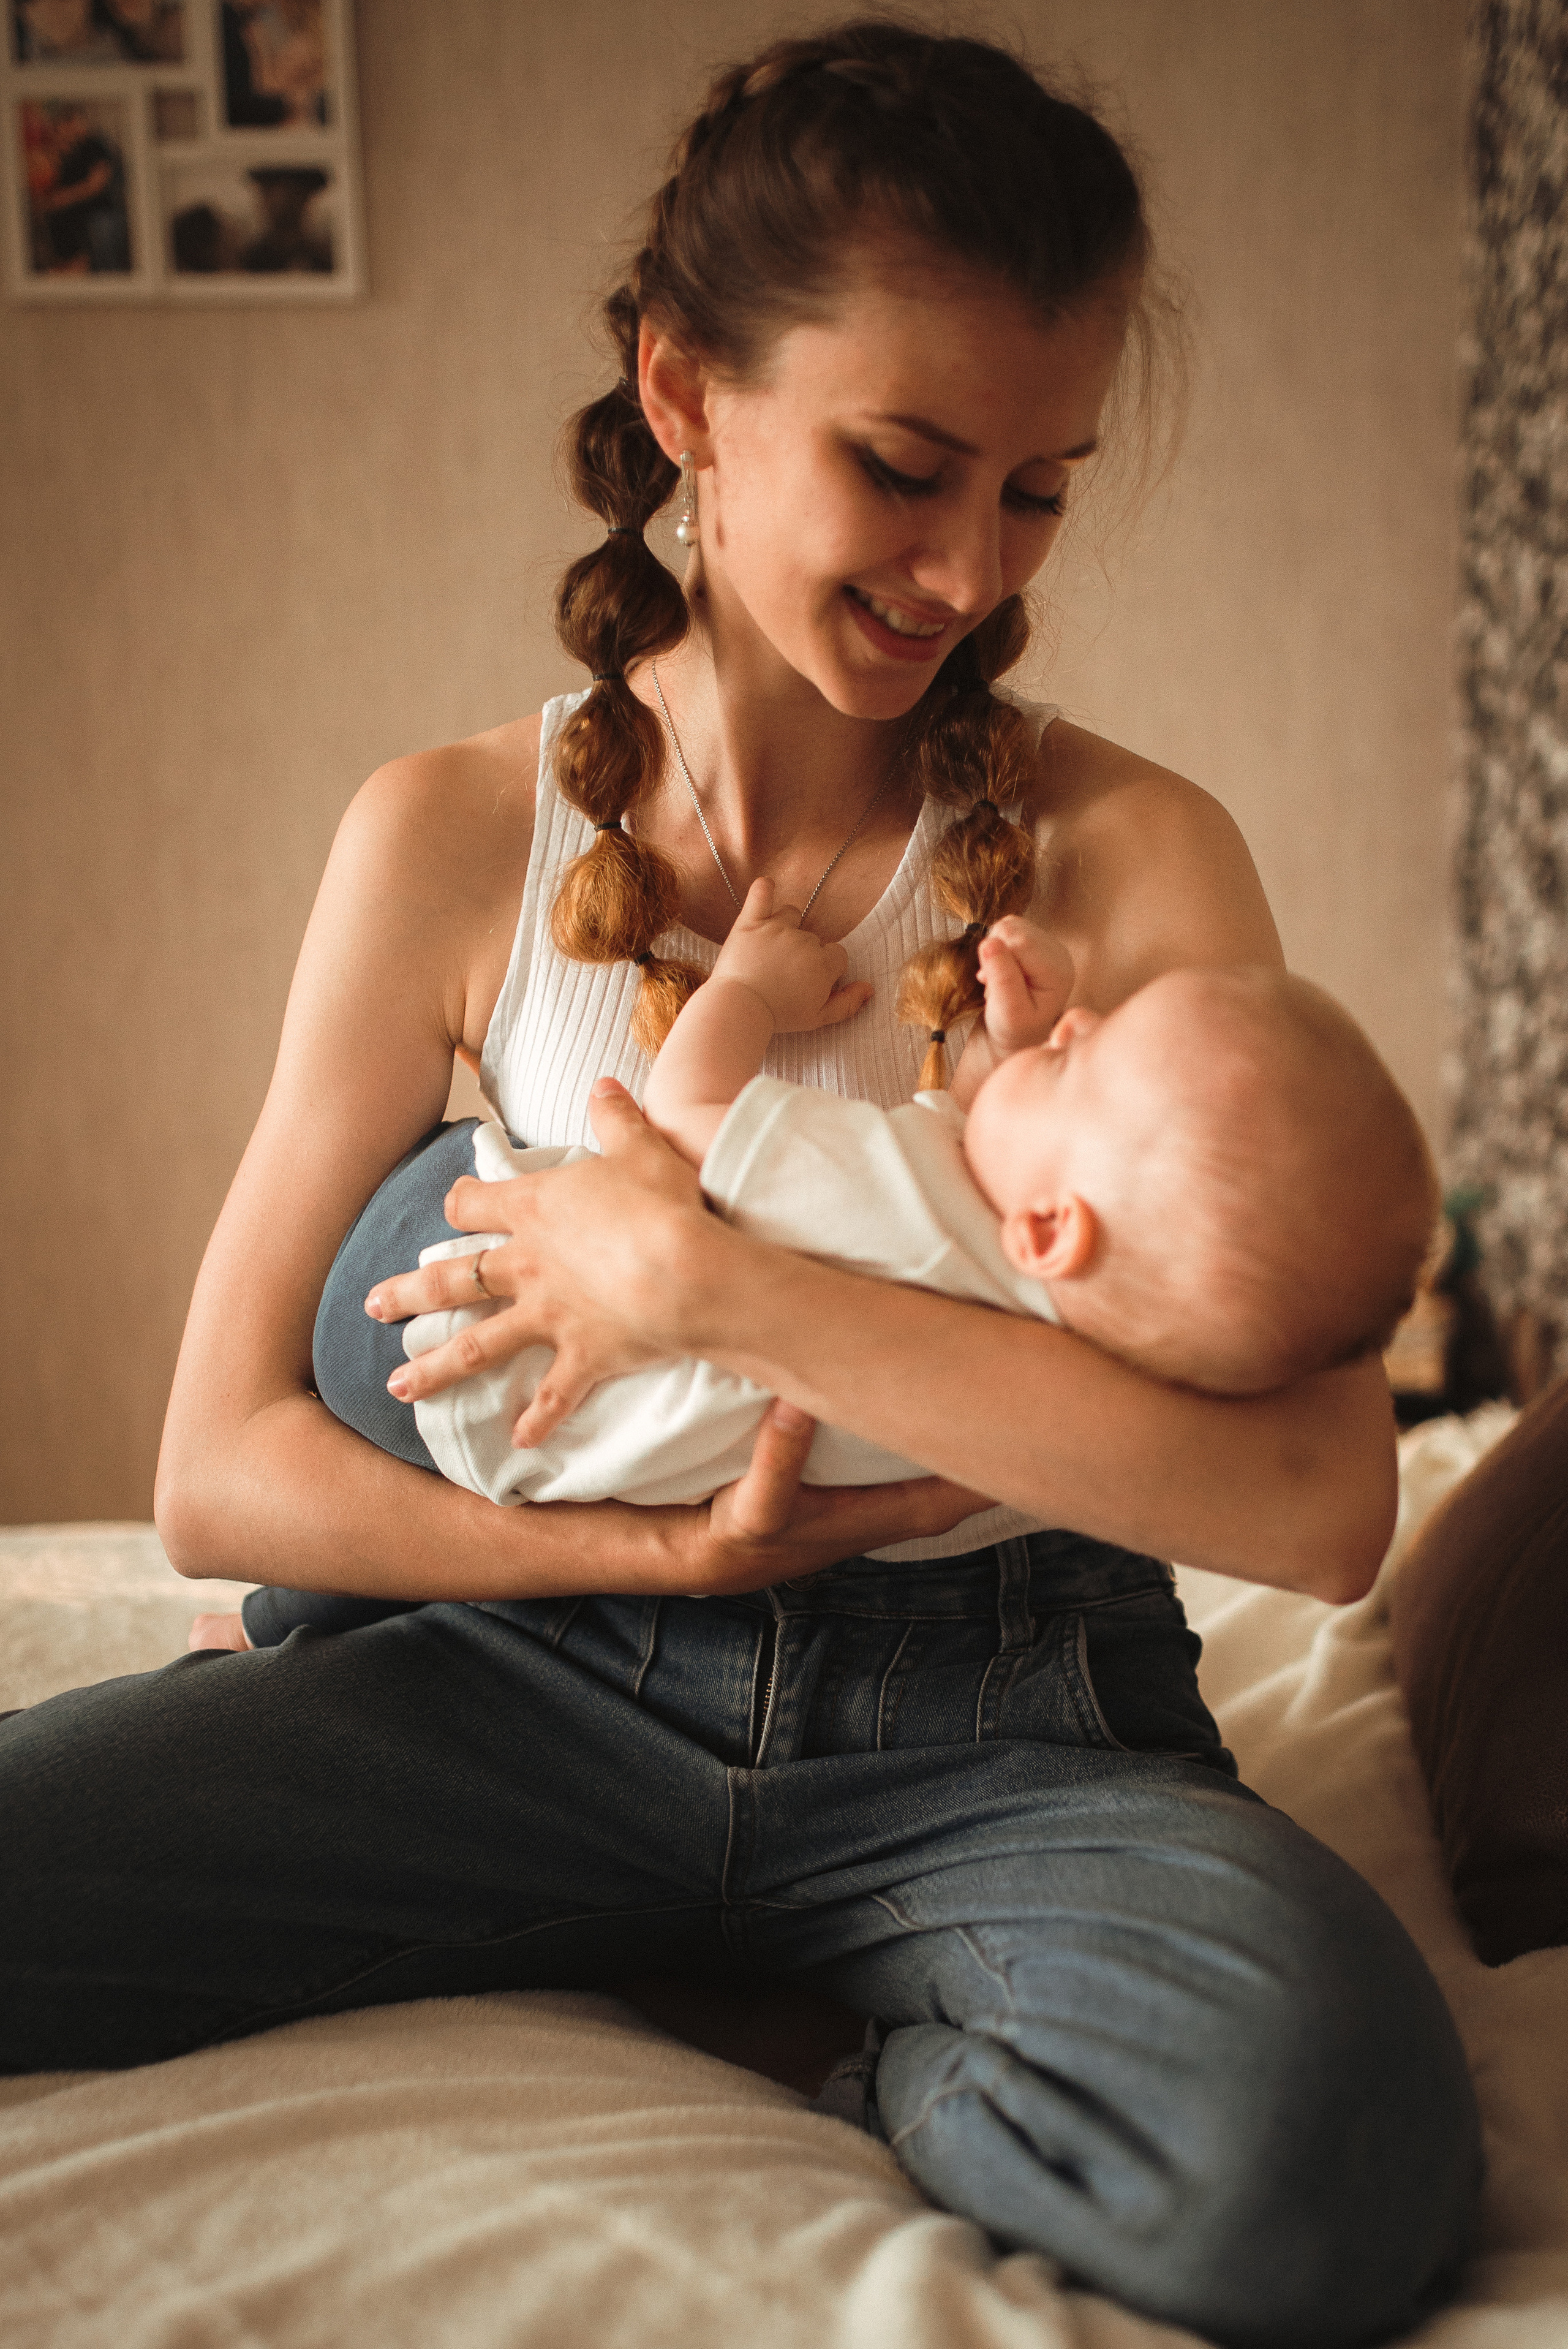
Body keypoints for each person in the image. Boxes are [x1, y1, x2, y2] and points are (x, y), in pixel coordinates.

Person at [0, 25, 1480, 2349]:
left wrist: (716, 1292)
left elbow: (1318, 1506)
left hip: (998, 1721)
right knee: (418, 1247)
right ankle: (641, 1900)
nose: (969, 570)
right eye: (905, 467)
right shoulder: (446, 839)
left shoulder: (1127, 854)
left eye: (1039, 492)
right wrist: (655, 1557)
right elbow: (219, 1466)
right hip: (525, 1679)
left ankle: (848, 2020)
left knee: (1328, 2173)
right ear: (685, 395)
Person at [206, 888, 1435, 1655]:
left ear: (1052, 1229)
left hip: (431, 1298)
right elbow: (995, 1166)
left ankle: (283, 1619)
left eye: (1077, 1059)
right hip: (526, 1459)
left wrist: (745, 993)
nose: (1073, 1021)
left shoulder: (885, 1192)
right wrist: (1017, 1061)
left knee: (482, 1174)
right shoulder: (1071, 1349)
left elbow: (684, 1109)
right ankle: (285, 1624)